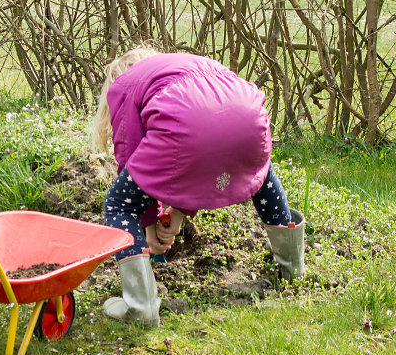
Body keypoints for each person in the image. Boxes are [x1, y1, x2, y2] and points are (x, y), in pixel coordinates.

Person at [90, 46, 305, 328]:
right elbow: (204, 145)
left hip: (189, 131)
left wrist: (148, 222)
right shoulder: (191, 65)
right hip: (249, 117)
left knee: (119, 203)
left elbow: (133, 157)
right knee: (259, 171)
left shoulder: (126, 84)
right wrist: (176, 212)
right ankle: (293, 271)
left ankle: (141, 307)